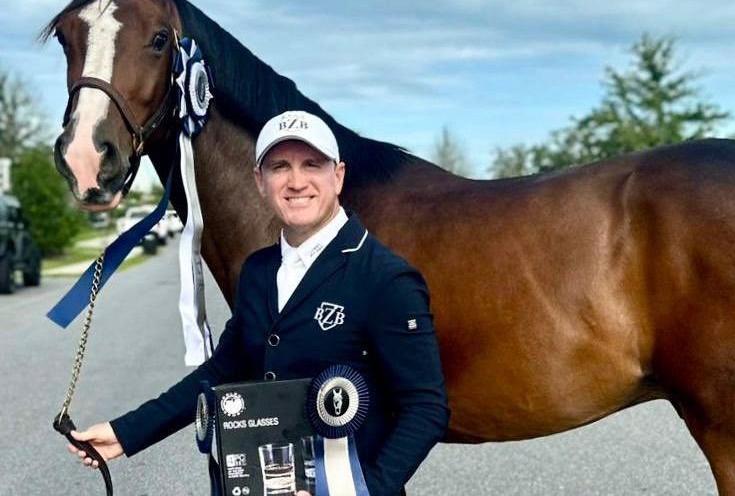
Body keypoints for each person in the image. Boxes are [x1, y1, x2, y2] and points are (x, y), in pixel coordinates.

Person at [67, 110, 450, 496]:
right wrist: (125, 432)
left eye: (312, 164)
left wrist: (365, 490)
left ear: (337, 176)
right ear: (260, 182)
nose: (296, 181)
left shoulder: (386, 277)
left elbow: (426, 407)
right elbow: (222, 371)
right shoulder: (257, 270)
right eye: (280, 166)